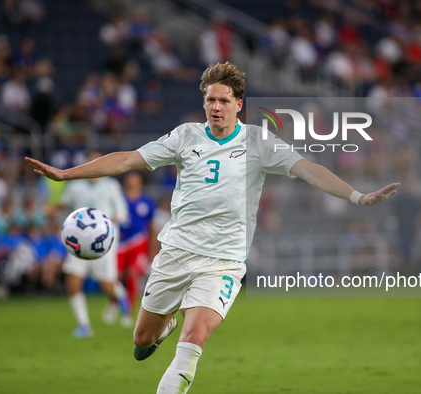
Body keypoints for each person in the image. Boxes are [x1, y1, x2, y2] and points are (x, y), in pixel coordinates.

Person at [26, 62, 399, 393]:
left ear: (239, 104)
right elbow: (127, 160)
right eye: (210, 100)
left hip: (223, 261)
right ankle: (164, 325)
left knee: (195, 338)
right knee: (142, 342)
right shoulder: (185, 136)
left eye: (223, 101)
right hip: (175, 252)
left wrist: (357, 196)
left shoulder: (258, 141)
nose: (216, 107)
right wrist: (66, 175)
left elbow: (308, 169)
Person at [55, 150, 131, 338]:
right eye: (91, 161)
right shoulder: (75, 186)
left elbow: (122, 213)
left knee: (107, 285)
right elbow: (65, 204)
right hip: (78, 242)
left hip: (102, 244)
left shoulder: (111, 185)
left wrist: (101, 224)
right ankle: (84, 326)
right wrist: (50, 208)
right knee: (72, 280)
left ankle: (121, 299)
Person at [119, 171, 157, 311]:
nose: (132, 181)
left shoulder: (147, 202)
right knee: (115, 276)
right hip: (120, 244)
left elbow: (152, 228)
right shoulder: (118, 200)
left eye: (135, 178)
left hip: (139, 244)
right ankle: (115, 302)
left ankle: (129, 309)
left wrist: (152, 251)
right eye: (130, 178)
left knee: (132, 274)